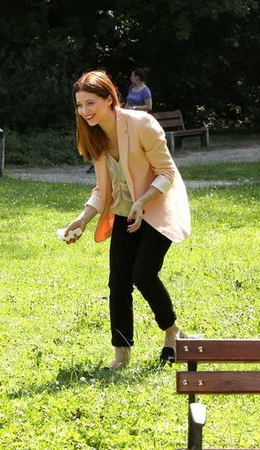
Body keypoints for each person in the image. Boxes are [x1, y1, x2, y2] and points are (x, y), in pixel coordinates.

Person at [62, 70, 190, 371]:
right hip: (124, 210)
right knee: (118, 281)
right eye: (80, 105)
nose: (85, 111)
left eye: (91, 103)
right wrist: (83, 218)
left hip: (158, 207)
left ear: (110, 99)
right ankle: (121, 354)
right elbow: (103, 189)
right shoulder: (94, 135)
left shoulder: (141, 124)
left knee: (143, 273)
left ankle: (172, 333)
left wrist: (143, 202)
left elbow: (166, 173)